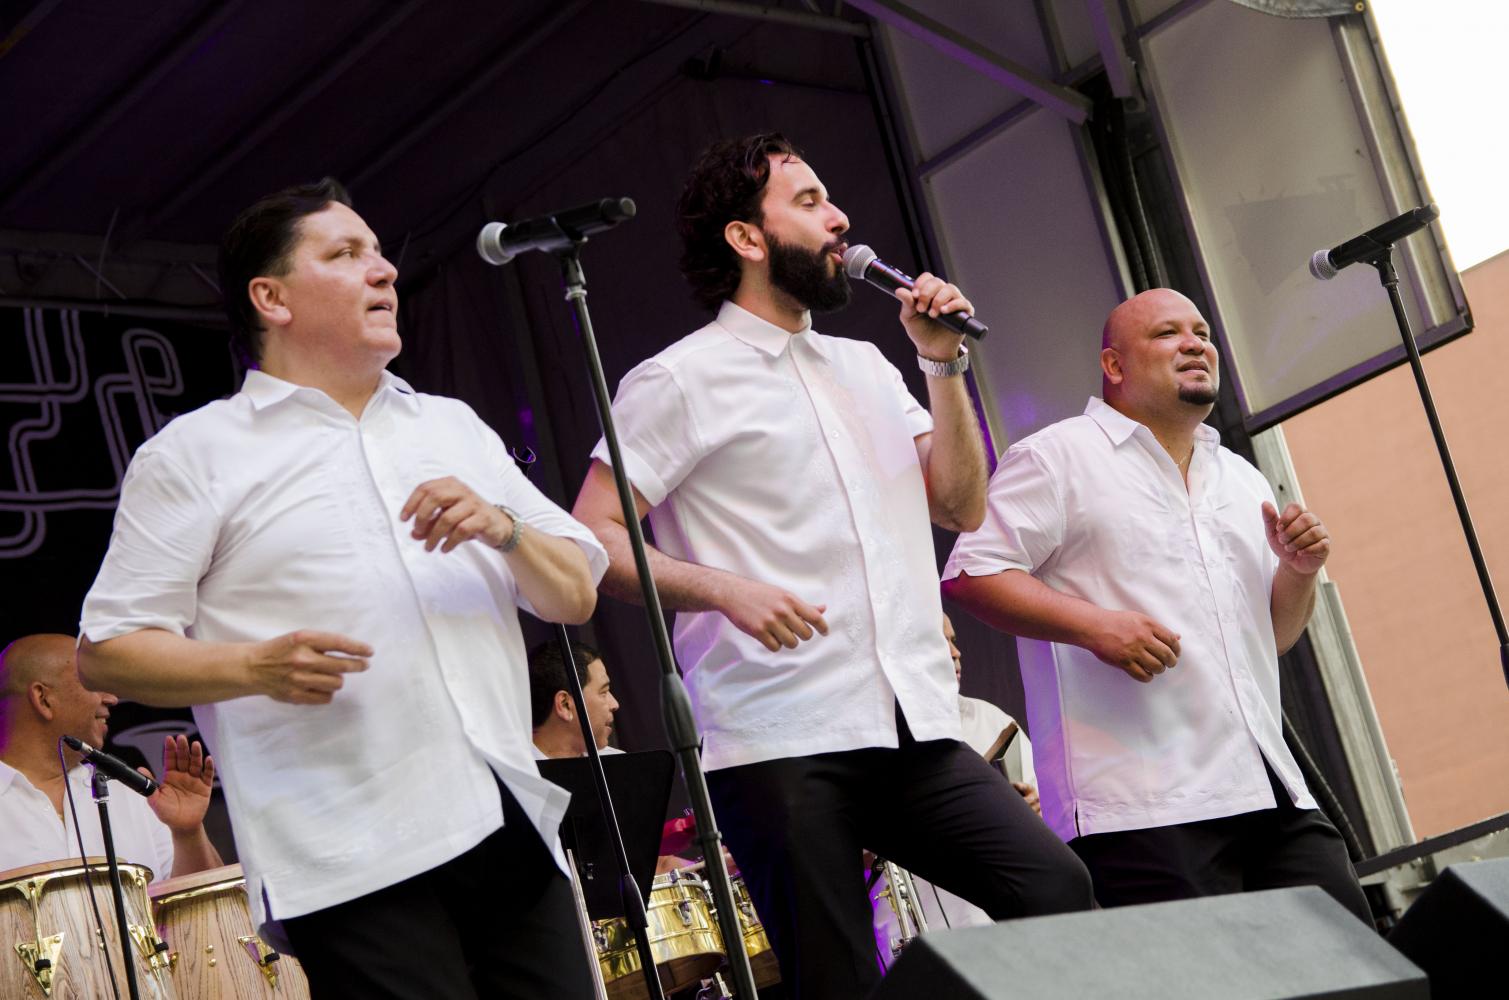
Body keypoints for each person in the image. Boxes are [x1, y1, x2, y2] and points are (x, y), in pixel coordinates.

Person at [573, 133, 1092, 998]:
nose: (839, 215)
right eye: (808, 200)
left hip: (907, 723)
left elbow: (961, 505)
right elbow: (594, 539)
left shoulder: (865, 366)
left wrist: (942, 364)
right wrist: (722, 590)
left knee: (1054, 887)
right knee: (834, 978)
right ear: (747, 238)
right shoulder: (677, 379)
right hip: (778, 739)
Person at [76, 179, 609, 999]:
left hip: (504, 811)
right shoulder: (196, 453)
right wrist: (253, 667)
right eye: (346, 254)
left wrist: (505, 526)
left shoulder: (450, 425)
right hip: (349, 850)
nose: (385, 270)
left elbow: (573, 594)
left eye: (380, 252)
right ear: (272, 298)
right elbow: (108, 651)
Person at [942, 287, 1370, 923]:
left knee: (1362, 978)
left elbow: (1271, 637)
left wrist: (1298, 572)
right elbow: (970, 573)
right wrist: (1095, 627)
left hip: (1271, 791)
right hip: (1141, 806)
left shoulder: (1240, 477)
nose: (1196, 343)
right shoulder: (1058, 456)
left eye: (1201, 331)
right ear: (1114, 366)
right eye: (1168, 334)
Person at [0, 633, 222, 879]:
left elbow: (208, 909)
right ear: (43, 698)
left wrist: (187, 833)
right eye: (92, 682)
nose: (112, 698)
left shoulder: (135, 798)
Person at [527, 639, 621, 760]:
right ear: (565, 704)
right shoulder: (513, 773)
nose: (615, 704)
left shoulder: (618, 764)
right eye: (603, 692)